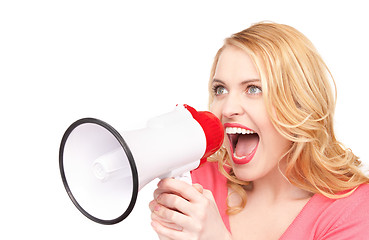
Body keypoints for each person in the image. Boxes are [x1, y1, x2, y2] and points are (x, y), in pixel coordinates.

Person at [148, 22, 369, 239]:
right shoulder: (198, 182)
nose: (228, 109)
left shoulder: (352, 209)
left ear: (300, 103)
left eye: (253, 89)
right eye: (220, 89)